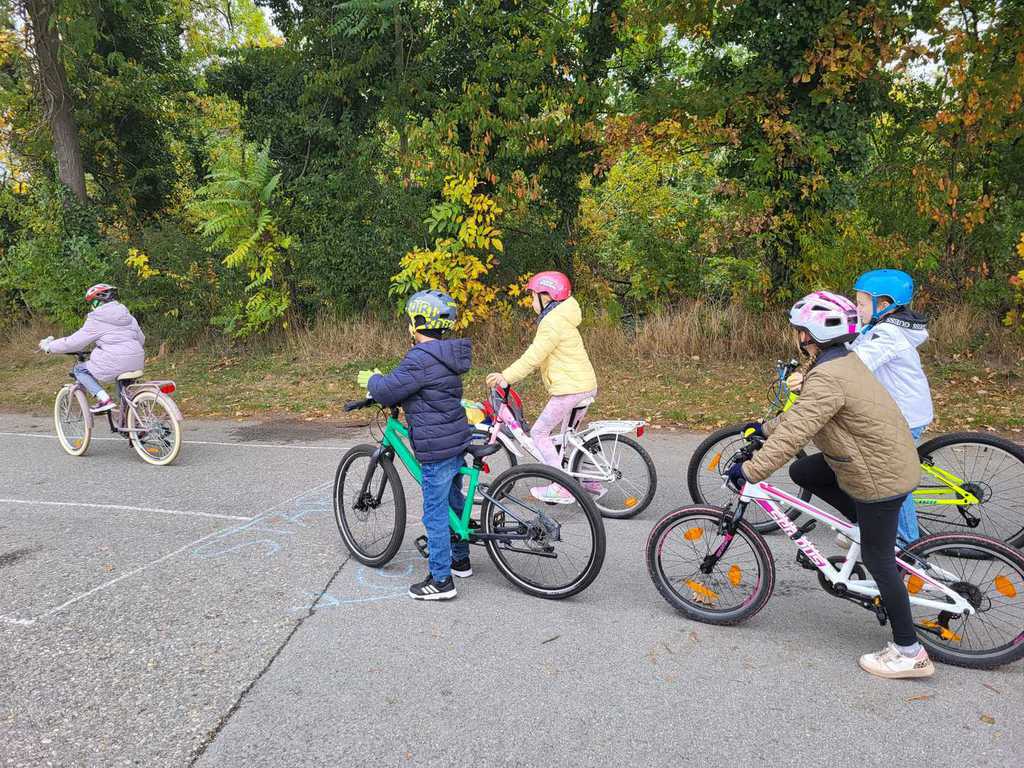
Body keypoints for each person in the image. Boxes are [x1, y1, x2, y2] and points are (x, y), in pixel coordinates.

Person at [729, 291, 934, 679]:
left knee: (878, 559)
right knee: (805, 472)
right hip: (879, 460)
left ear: (809, 335)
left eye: (798, 330)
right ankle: (864, 528)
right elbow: (803, 416)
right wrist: (765, 428)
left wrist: (752, 471)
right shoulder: (840, 361)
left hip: (879, 475)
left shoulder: (828, 375)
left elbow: (798, 432)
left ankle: (910, 652)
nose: (796, 335)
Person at [363, 289, 473, 601]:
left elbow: (388, 389)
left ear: (418, 323)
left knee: (434, 514)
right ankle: (460, 559)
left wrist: (372, 381)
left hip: (436, 449)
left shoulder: (419, 358)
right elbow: (425, 390)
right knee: (453, 500)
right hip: (455, 440)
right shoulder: (447, 355)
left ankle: (441, 580)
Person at [485, 271, 600, 503]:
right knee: (567, 437)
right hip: (584, 385)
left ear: (546, 296)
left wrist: (506, 376)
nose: (531, 302)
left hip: (570, 390)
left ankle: (562, 488)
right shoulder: (563, 316)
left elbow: (533, 356)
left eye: (533, 296)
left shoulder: (552, 322)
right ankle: (589, 482)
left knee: (539, 432)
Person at [851, 269, 932, 545]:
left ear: (883, 305)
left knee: (893, 481)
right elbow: (853, 345)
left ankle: (907, 544)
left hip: (903, 417)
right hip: (897, 412)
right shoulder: (881, 326)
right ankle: (868, 521)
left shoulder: (887, 334)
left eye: (861, 303)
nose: (857, 309)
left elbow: (856, 364)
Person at [38, 284, 145, 413]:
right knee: (124, 391)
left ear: (98, 302)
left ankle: (104, 400)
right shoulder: (129, 317)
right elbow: (141, 339)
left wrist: (50, 346)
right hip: (137, 361)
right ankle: (131, 419)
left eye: (92, 302)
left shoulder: (97, 318)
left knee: (80, 370)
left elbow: (74, 342)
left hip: (115, 361)